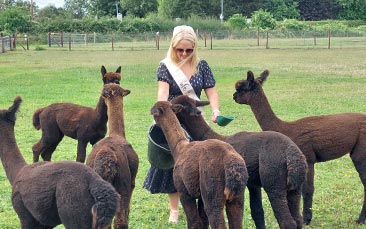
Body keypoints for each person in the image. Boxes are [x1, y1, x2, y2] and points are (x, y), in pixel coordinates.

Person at [143, 25, 220, 223]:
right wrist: (161, 114)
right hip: (174, 121)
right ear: (173, 46)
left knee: (202, 162)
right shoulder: (165, 66)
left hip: (195, 121)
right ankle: (174, 209)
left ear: (195, 48)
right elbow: (163, 93)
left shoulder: (202, 65)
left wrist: (216, 110)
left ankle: (202, 202)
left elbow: (211, 91)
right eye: (180, 49)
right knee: (174, 163)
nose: (184, 53)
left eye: (189, 49)